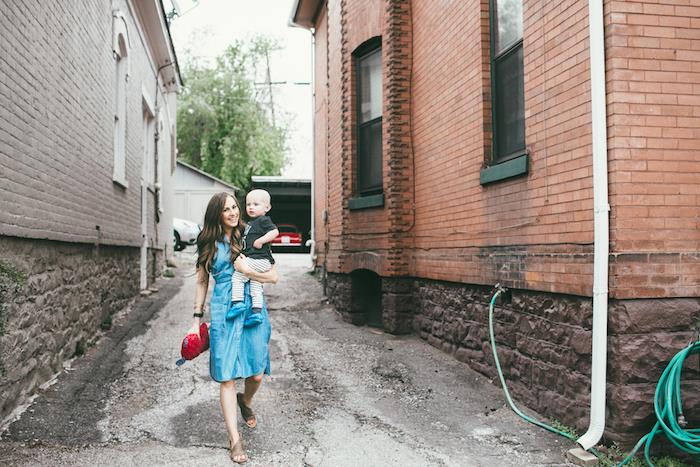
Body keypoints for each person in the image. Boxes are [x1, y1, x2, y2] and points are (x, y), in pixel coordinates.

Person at [189, 191, 278, 464]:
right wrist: (196, 319)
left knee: (257, 374)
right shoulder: (208, 243)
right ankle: (234, 439)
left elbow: (273, 275)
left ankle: (246, 401)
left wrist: (248, 271)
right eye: (227, 209)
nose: (234, 212)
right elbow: (202, 281)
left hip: (251, 307)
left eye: (235, 207)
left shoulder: (250, 234)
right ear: (218, 213)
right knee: (226, 376)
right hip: (223, 312)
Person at [231, 189, 279, 313]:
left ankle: (237, 303)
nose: (251, 207)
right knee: (256, 285)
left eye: (256, 204)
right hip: (259, 261)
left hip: (259, 259)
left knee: (237, 277)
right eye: (248, 204)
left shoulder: (263, 220)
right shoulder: (251, 224)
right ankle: (257, 311)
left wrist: (261, 241)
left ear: (267, 207)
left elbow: (275, 232)